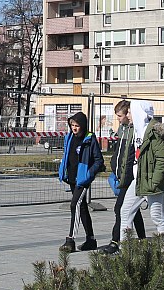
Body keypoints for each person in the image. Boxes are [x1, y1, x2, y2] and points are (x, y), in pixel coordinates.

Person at [97, 100, 145, 254]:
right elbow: (119, 152)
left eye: (120, 116)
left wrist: (125, 174)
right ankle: (142, 239)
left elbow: (130, 156)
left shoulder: (136, 130)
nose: (118, 119)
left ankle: (115, 241)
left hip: (130, 176)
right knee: (133, 209)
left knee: (120, 208)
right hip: (121, 174)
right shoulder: (122, 129)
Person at [118, 101, 164, 240]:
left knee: (157, 216)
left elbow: (162, 159)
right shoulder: (136, 130)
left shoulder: (153, 132)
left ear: (138, 112)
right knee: (125, 212)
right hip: (138, 180)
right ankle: (125, 248)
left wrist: (154, 182)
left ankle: (163, 249)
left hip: (151, 182)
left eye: (130, 112)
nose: (128, 116)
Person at [57, 111, 104, 252]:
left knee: (74, 205)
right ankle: (91, 240)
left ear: (82, 126)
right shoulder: (70, 137)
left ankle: (70, 240)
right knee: (82, 208)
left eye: (77, 125)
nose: (74, 128)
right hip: (71, 177)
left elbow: (99, 161)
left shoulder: (90, 139)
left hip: (82, 179)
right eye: (72, 125)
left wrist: (89, 174)